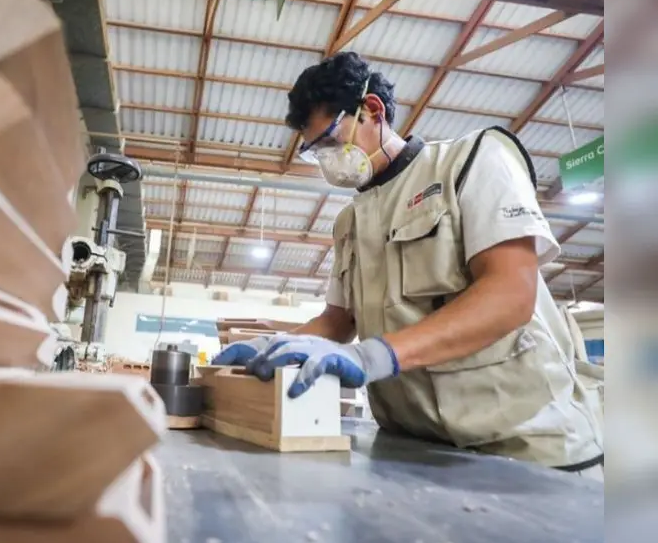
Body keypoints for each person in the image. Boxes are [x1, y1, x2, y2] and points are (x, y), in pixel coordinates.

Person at [212, 52, 604, 477]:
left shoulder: (470, 161)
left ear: (372, 110)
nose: (326, 159)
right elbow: (337, 322)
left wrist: (372, 356)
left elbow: (510, 294)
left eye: (329, 139)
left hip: (528, 449)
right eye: (314, 151)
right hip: (417, 452)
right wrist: (269, 345)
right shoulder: (350, 222)